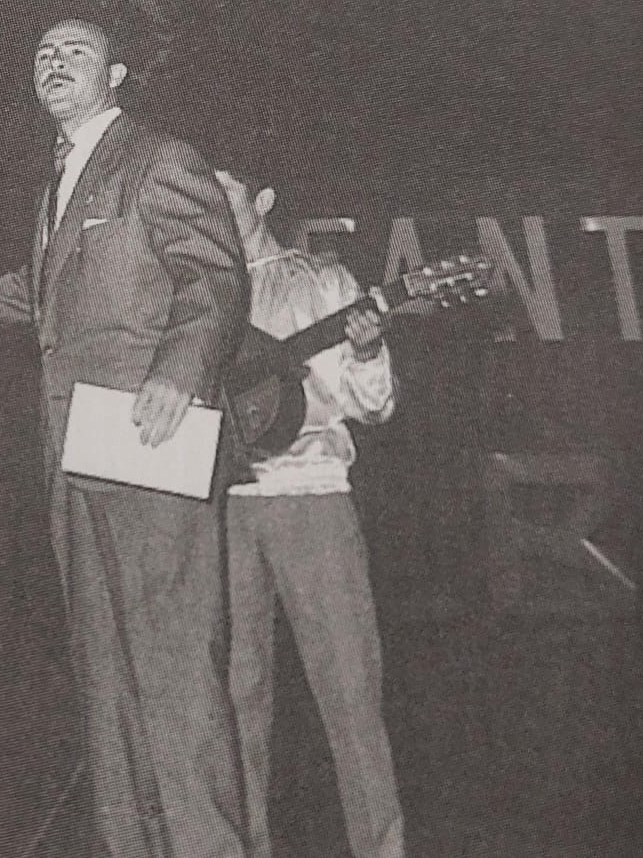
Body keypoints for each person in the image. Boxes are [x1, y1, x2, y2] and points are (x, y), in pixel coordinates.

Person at [0, 18, 250, 858]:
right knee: (108, 686)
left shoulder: (155, 158)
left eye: (74, 49)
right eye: (41, 51)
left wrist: (179, 371)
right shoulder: (58, 186)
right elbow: (33, 299)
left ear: (117, 72)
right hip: (74, 457)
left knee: (175, 673)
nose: (52, 60)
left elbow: (215, 274)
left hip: (148, 443)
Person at [215, 170, 405, 858]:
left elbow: (372, 405)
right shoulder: (197, 292)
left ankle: (381, 848)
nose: (210, 204)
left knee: (351, 690)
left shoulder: (323, 279)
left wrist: (365, 348)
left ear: (261, 200)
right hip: (224, 508)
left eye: (224, 191)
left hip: (313, 497)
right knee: (234, 704)